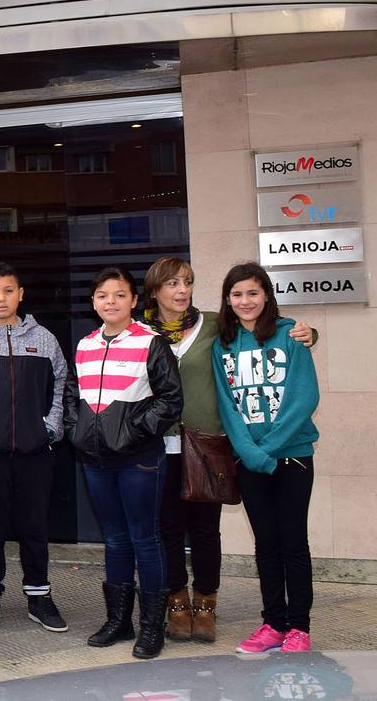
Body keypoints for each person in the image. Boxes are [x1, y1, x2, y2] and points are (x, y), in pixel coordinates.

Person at [143, 256, 316, 645]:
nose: (181, 290)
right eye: (172, 284)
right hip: (174, 447)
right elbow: (227, 396)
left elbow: (299, 386)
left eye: (187, 282)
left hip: (235, 449)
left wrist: (310, 332)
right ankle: (187, 606)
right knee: (174, 529)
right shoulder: (148, 333)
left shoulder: (217, 328)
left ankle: (274, 620)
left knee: (222, 531)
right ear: (155, 291)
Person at [65, 267, 182, 660]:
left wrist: (133, 432)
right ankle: (119, 621)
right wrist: (75, 429)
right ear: (94, 302)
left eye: (119, 294)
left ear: (134, 300)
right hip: (95, 459)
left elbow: (170, 399)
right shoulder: (84, 344)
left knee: (144, 539)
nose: (110, 302)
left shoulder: (152, 342)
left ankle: (152, 628)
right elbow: (70, 393)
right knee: (113, 539)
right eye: (102, 295)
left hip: (139, 459)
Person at [213, 262, 321, 655]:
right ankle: (274, 623)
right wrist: (248, 451)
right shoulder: (221, 343)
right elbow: (227, 405)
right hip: (250, 460)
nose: (245, 301)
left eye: (253, 293)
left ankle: (300, 629)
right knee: (266, 544)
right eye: (237, 294)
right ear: (228, 299)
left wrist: (268, 448)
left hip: (291, 457)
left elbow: (305, 396)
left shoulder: (290, 334)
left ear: (267, 296)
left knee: (294, 542)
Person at [0, 262, 69, 636]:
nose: (1, 298)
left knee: (35, 527)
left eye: (8, 290)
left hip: (36, 453)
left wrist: (49, 429)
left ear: (20, 294)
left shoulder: (45, 339)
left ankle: (39, 596)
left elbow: (61, 386)